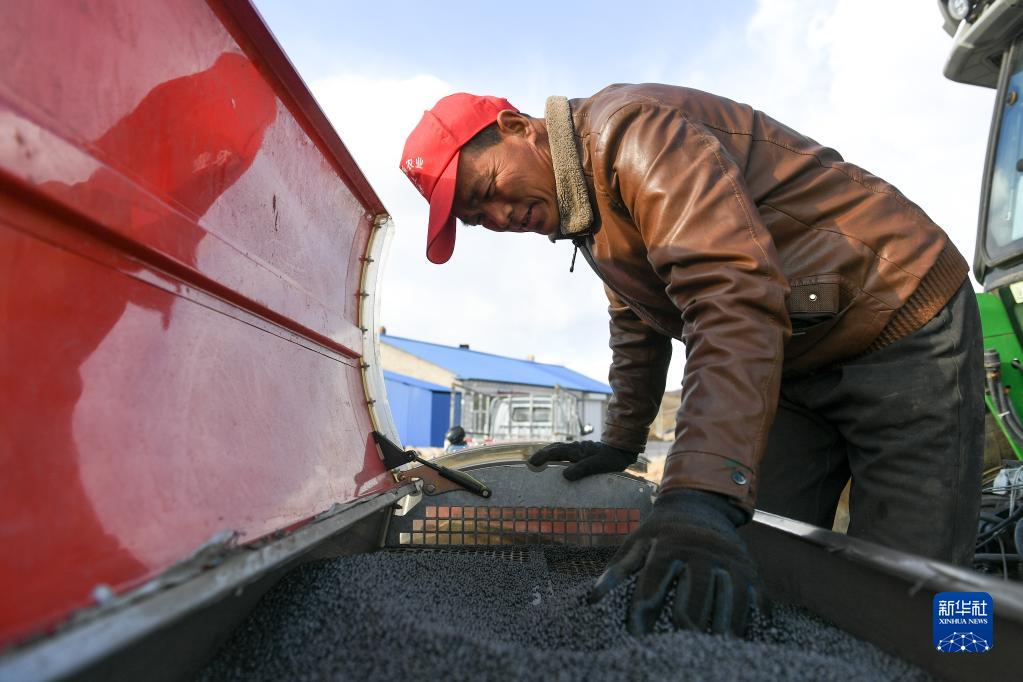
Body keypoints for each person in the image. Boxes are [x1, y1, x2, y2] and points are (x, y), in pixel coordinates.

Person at [398, 85, 983, 637]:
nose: (498, 217)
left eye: (488, 190)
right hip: (794, 357)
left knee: (914, 581)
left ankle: (976, 661)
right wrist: (623, 440)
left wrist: (697, 490)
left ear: (517, 128)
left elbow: (730, 296)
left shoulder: (635, 136)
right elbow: (636, 322)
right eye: (479, 220)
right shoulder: (588, 216)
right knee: (749, 550)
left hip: (899, 320)